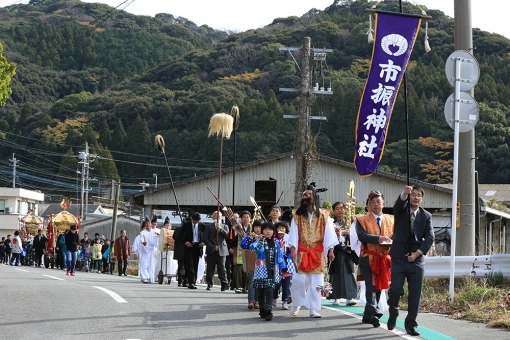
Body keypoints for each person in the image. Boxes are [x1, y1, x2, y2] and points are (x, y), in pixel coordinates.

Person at [387, 185, 434, 336]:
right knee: (395, 289)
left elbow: (430, 238)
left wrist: (417, 254)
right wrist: (403, 194)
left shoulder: (426, 216)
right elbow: (397, 205)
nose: (415, 197)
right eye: (412, 194)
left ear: (422, 198)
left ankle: (411, 324)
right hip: (399, 256)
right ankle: (393, 312)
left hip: (416, 259)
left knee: (415, 294)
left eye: (418, 195)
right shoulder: (402, 210)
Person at [288, 185, 338, 318]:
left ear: (315, 199)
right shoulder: (297, 215)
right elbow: (293, 233)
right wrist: (292, 248)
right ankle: (296, 304)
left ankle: (313, 308)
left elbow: (329, 234)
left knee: (317, 282)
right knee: (299, 280)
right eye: (305, 200)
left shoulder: (324, 215)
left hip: (317, 252)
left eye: (309, 200)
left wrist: (331, 249)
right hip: (302, 251)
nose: (307, 203)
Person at [356, 190, 394, 328]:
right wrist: (379, 239)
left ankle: (367, 316)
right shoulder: (361, 220)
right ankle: (374, 313)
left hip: (384, 257)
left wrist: (391, 242)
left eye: (378, 202)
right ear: (369, 205)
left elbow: (396, 235)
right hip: (368, 256)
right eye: (372, 202)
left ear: (384, 204)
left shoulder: (391, 219)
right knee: (371, 286)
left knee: (379, 286)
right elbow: (362, 236)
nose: (376, 204)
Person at [250, 221, 286, 321]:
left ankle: (268, 310)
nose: (268, 231)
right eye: (265, 229)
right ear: (262, 231)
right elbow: (258, 250)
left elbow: (280, 258)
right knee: (260, 291)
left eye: (270, 229)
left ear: (273, 231)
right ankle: (262, 309)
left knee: (269, 290)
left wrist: (281, 271)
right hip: (261, 270)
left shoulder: (276, 243)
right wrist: (261, 239)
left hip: (272, 270)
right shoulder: (259, 241)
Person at [328, 201, 358, 306]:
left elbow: (356, 235)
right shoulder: (330, 222)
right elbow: (328, 236)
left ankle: (350, 298)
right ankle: (335, 296)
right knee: (335, 273)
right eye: (337, 208)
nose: (340, 210)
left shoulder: (350, 222)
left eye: (341, 208)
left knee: (349, 272)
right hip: (336, 250)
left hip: (348, 251)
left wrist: (349, 233)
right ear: (334, 210)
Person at [203, 211, 229, 291]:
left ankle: (224, 284)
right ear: (213, 218)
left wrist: (220, 229)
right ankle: (209, 284)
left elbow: (227, 236)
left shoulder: (225, 226)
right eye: (216, 216)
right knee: (210, 268)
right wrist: (213, 246)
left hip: (222, 250)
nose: (218, 218)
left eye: (219, 216)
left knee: (222, 267)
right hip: (212, 250)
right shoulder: (208, 226)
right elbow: (204, 238)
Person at [241, 219, 263, 309]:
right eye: (256, 227)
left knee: (259, 282)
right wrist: (250, 238)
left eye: (260, 227)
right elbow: (243, 245)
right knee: (251, 281)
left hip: (261, 263)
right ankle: (251, 300)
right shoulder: (250, 236)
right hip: (251, 262)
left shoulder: (265, 237)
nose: (258, 229)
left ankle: (257, 301)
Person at [180, 212, 206, 289]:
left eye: (197, 221)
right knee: (189, 264)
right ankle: (191, 282)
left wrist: (204, 242)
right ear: (192, 219)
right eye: (194, 221)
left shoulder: (202, 226)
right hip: (189, 246)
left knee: (195, 264)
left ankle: (193, 282)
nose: (195, 223)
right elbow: (180, 235)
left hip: (198, 246)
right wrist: (185, 242)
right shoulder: (186, 224)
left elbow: (208, 235)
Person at [273, 221, 294, 310]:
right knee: (276, 283)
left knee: (286, 285)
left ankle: (285, 302)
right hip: (277, 263)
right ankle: (274, 299)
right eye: (279, 228)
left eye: (283, 228)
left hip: (287, 263)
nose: (281, 230)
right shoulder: (273, 239)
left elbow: (292, 249)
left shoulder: (289, 238)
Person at [229, 211, 250, 294]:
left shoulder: (252, 228)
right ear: (241, 219)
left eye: (247, 217)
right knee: (238, 268)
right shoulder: (237, 227)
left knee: (248, 268)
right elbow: (231, 238)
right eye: (244, 217)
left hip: (249, 250)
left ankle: (246, 287)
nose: (246, 218)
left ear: (250, 218)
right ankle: (238, 286)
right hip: (238, 250)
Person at [138, 217, 160, 283]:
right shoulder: (142, 232)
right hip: (145, 249)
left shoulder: (154, 232)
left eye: (149, 223)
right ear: (145, 224)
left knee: (152, 264)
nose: (148, 224)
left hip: (152, 249)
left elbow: (157, 240)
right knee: (145, 264)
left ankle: (151, 277)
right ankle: (145, 277)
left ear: (150, 224)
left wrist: (158, 236)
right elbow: (142, 240)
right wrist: (143, 242)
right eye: (146, 223)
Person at [173, 218, 187, 287]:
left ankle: (184, 281)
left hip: (186, 250)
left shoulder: (188, 230)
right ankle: (180, 281)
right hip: (180, 250)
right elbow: (175, 237)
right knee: (181, 266)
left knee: (185, 266)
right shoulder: (178, 229)